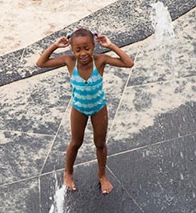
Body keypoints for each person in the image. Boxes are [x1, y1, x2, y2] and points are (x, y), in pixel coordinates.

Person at [35, 27, 133, 194]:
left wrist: (110, 45)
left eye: (87, 48)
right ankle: (68, 173)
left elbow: (129, 63)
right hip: (79, 108)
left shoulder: (100, 60)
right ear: (72, 50)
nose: (83, 53)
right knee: (75, 142)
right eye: (78, 50)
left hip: (99, 108)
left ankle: (102, 175)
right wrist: (55, 45)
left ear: (94, 46)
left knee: (100, 144)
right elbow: (40, 63)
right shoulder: (69, 61)